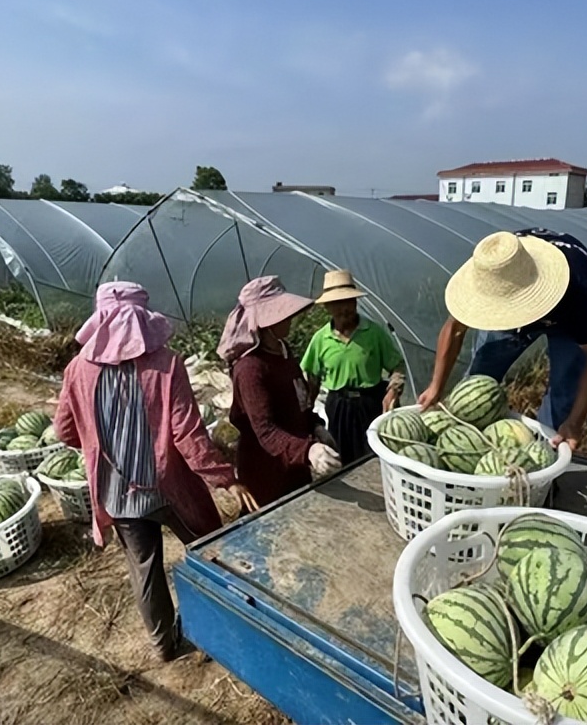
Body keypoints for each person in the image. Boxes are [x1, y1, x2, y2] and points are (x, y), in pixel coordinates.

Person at [53, 281, 255, 663]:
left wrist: (98, 442)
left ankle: (164, 645)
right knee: (208, 550)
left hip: (118, 494)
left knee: (144, 569)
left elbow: (64, 430)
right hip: (169, 487)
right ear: (142, 319)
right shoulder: (167, 364)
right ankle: (224, 624)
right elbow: (187, 434)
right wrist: (226, 478)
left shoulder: (78, 369)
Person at [417, 229, 587, 451]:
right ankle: (469, 445)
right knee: (476, 387)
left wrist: (575, 422)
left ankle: (544, 455)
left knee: (563, 398)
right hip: (518, 286)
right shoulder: (491, 269)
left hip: (565, 312)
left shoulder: (578, 296)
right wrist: (436, 386)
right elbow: (454, 329)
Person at [217, 275, 342, 507]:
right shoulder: (250, 369)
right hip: (267, 474)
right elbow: (266, 431)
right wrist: (309, 450)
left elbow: (299, 399)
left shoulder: (283, 352)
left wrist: (315, 426)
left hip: (295, 465)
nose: (290, 319)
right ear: (265, 323)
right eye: (282, 314)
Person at [300, 269, 406, 463]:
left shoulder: (373, 332)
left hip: (370, 403)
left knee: (375, 456)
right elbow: (311, 378)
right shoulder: (321, 339)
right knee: (343, 459)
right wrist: (308, 414)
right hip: (339, 407)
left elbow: (397, 365)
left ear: (355, 302)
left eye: (347, 301)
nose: (343, 309)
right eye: (336, 304)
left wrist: (393, 391)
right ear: (327, 307)